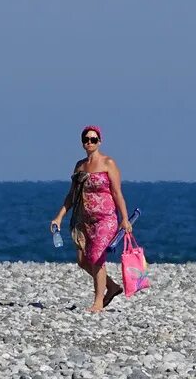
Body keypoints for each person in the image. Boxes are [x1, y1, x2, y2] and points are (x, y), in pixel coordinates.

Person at [51, 125, 134, 312]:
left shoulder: (108, 163)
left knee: (97, 257)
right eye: (86, 139)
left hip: (106, 219)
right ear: (82, 143)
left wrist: (124, 219)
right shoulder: (80, 166)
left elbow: (117, 192)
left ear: (100, 141)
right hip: (83, 219)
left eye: (93, 139)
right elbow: (72, 195)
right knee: (82, 260)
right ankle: (112, 287)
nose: (90, 142)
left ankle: (98, 302)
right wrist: (59, 217)